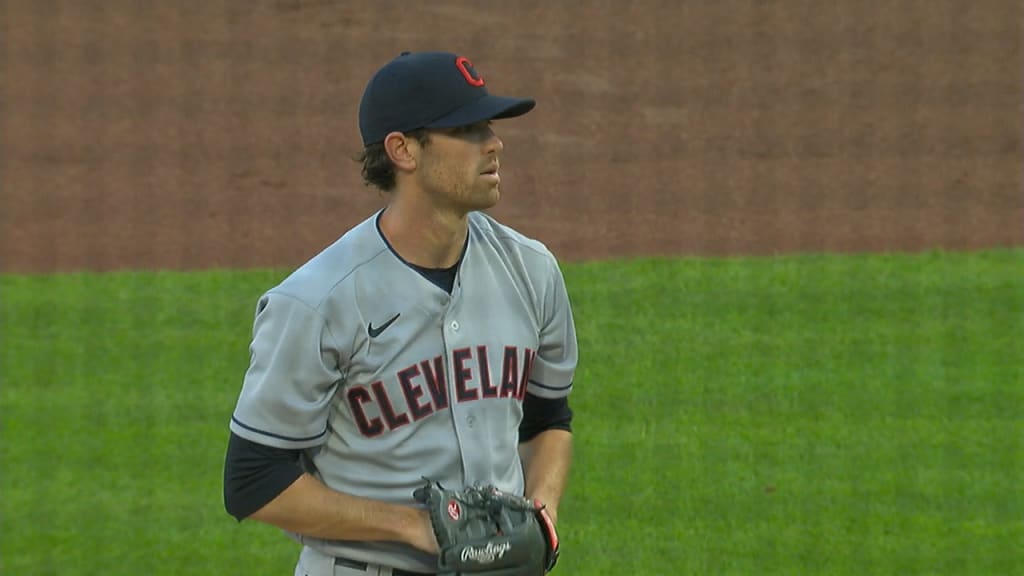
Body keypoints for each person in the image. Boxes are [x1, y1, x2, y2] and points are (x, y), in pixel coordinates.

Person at [222, 51, 579, 576]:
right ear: (403, 150)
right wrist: (416, 528)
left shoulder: (531, 271)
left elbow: (549, 417)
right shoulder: (317, 303)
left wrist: (541, 517)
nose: (495, 143)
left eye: (491, 127)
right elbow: (253, 481)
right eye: (469, 128)